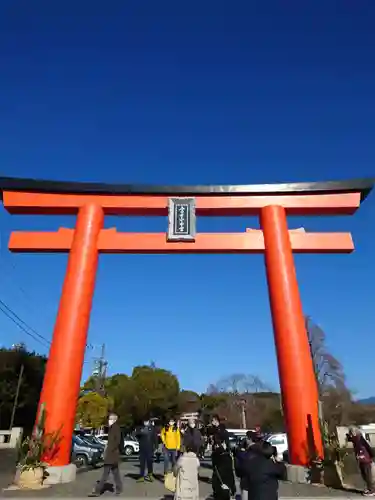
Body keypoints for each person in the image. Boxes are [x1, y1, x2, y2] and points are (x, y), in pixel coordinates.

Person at [91, 413, 123, 496]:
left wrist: (109, 450)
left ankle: (98, 491)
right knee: (116, 474)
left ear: (114, 420)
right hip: (113, 455)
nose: (109, 420)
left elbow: (117, 441)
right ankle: (119, 488)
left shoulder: (115, 428)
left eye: (111, 419)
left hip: (111, 455)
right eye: (109, 418)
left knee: (105, 474)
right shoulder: (112, 428)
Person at [347, 427, 375, 496]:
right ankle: (370, 488)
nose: (351, 435)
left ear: (354, 432)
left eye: (351, 433)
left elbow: (365, 448)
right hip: (363, 460)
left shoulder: (359, 439)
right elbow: (350, 439)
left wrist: (362, 456)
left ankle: (372, 490)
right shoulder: (356, 439)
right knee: (364, 475)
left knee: (367, 475)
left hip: (365, 460)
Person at [211, 435, 236, 500]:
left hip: (219, 483)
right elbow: (231, 473)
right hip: (228, 484)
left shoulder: (215, 455)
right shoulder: (228, 456)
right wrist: (233, 488)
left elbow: (216, 471)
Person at [135, 417, 156, 482]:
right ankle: (141, 476)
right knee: (142, 463)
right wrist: (140, 433)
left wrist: (156, 446)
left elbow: (155, 437)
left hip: (149, 448)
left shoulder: (152, 428)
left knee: (149, 462)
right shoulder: (140, 428)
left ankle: (150, 475)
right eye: (144, 421)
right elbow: (136, 435)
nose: (145, 422)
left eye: (146, 421)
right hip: (142, 448)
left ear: (149, 421)